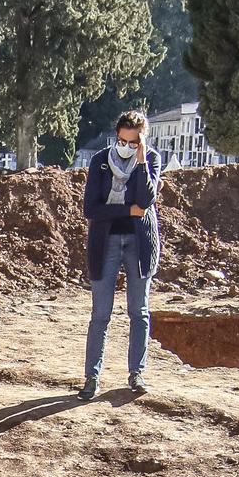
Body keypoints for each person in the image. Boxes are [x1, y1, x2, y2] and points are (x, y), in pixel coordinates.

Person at [81, 111, 161, 399]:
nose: (125, 146)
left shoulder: (150, 160)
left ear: (142, 139)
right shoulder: (100, 161)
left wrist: (140, 162)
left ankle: (136, 374)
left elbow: (146, 199)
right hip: (106, 243)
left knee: (138, 311)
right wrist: (127, 211)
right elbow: (91, 209)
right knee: (101, 314)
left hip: (140, 244)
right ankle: (91, 378)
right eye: (121, 140)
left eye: (132, 141)